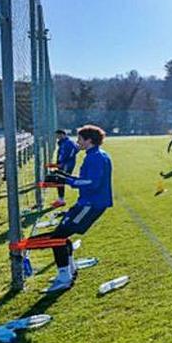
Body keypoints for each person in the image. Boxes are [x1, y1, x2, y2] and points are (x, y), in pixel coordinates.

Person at [44, 125, 113, 292]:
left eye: (80, 139)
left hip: (91, 204)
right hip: (86, 203)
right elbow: (86, 179)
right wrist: (64, 176)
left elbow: (92, 183)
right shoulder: (94, 155)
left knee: (58, 237)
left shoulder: (95, 157)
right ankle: (69, 271)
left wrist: (67, 181)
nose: (78, 142)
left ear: (89, 140)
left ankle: (64, 278)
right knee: (61, 233)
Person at [52, 129, 79, 208]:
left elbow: (74, 151)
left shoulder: (68, 142)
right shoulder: (63, 142)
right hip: (63, 164)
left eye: (58, 135)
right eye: (57, 136)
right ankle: (61, 199)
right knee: (60, 180)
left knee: (61, 180)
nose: (57, 137)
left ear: (63, 134)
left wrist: (64, 162)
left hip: (67, 164)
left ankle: (61, 200)